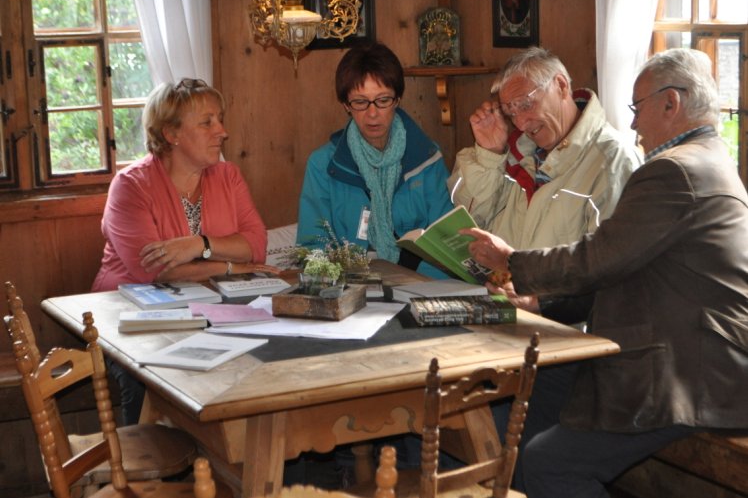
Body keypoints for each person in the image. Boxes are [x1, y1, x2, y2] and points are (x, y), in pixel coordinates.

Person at [463, 48, 748, 498]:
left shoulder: (675, 171)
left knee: (548, 462)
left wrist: (512, 262)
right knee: (525, 402)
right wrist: (543, 299)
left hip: (689, 374)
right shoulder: (706, 160)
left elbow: (599, 257)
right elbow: (621, 269)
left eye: (639, 109)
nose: (633, 124)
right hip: (676, 354)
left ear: (671, 104)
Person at [93, 78, 276, 424]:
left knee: (264, 359)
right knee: (146, 379)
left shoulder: (228, 176)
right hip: (130, 321)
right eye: (207, 122)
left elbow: (256, 245)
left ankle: (237, 467)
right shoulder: (131, 186)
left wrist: (200, 245)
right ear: (171, 134)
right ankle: (147, 470)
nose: (221, 131)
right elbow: (154, 271)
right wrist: (231, 267)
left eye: (220, 119)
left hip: (212, 312)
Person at [448, 46, 641, 318]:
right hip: (502, 315)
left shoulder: (612, 160)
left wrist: (541, 300)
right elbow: (473, 217)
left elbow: (610, 268)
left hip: (567, 332)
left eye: (526, 105)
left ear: (561, 86)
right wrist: (489, 154)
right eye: (511, 112)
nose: (522, 122)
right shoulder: (516, 153)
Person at [296, 42, 454, 278]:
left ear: (398, 99)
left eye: (382, 100)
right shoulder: (323, 166)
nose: (372, 114)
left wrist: (419, 285)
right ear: (345, 105)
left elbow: (446, 244)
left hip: (420, 283)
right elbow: (312, 249)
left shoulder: (427, 159)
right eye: (360, 102)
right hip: (349, 286)